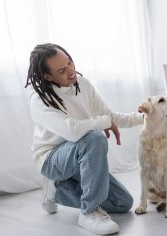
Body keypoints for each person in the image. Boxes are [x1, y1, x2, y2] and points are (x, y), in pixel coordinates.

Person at [25, 43, 143, 235]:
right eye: (62, 70)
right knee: (95, 138)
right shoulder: (40, 100)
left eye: (70, 62)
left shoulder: (82, 84)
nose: (71, 71)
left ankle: (57, 191)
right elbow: (72, 131)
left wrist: (146, 118)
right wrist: (104, 122)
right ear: (48, 76)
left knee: (122, 202)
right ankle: (88, 212)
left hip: (80, 157)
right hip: (51, 159)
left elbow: (109, 116)